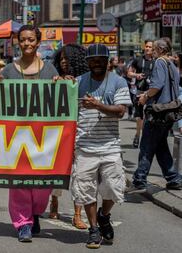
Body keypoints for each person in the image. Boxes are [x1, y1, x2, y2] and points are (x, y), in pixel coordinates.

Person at [0, 25, 55, 242]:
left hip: (44, 139)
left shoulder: (50, 71)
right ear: (17, 42)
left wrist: (61, 85)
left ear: (38, 42)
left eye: (31, 40)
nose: (27, 44)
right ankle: (23, 224)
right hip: (17, 137)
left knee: (43, 185)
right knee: (20, 184)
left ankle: (35, 212)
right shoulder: (9, 71)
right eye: (23, 40)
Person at [71, 44, 132, 249]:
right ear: (87, 62)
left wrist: (97, 105)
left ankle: (104, 215)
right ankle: (94, 229)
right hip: (84, 145)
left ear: (108, 61)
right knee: (86, 190)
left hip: (110, 146)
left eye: (100, 59)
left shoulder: (118, 81)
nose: (96, 63)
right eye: (92, 60)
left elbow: (120, 111)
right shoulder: (78, 82)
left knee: (115, 188)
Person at [129, 38, 182, 193]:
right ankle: (173, 178)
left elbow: (157, 85)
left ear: (159, 49)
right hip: (169, 111)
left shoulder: (160, 62)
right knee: (160, 146)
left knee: (146, 146)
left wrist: (145, 96)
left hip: (158, 111)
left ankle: (139, 180)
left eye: (153, 48)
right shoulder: (172, 64)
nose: (151, 50)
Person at [50, 43, 89, 230]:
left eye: (67, 58)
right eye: (61, 59)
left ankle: (77, 214)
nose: (64, 62)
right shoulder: (55, 78)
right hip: (60, 133)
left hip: (81, 134)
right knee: (58, 169)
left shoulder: (86, 81)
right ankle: (54, 201)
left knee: (79, 175)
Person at [127, 40, 154, 148]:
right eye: (146, 46)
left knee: (151, 115)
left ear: (153, 49)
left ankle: (148, 137)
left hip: (152, 92)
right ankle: (137, 135)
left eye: (150, 47)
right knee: (139, 116)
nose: (147, 48)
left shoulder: (157, 61)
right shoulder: (137, 60)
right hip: (140, 91)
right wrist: (136, 75)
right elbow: (128, 73)